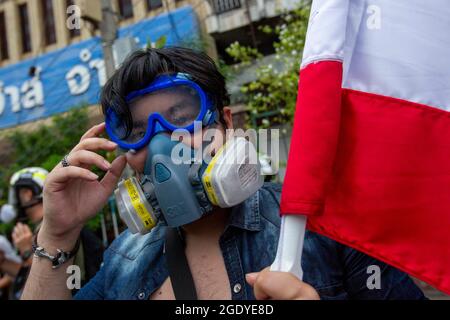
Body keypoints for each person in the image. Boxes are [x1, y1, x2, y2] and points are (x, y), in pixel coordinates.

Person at [22, 47, 425, 300]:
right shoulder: (123, 260)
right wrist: (57, 234)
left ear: (226, 124)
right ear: (125, 153)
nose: (164, 146)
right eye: (140, 132)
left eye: (183, 119)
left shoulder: (322, 224)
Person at [4, 167, 104, 299]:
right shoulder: (51, 225)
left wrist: (28, 251)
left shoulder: (49, 229)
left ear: (28, 193)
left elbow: (48, 280)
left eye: (18, 194)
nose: (16, 201)